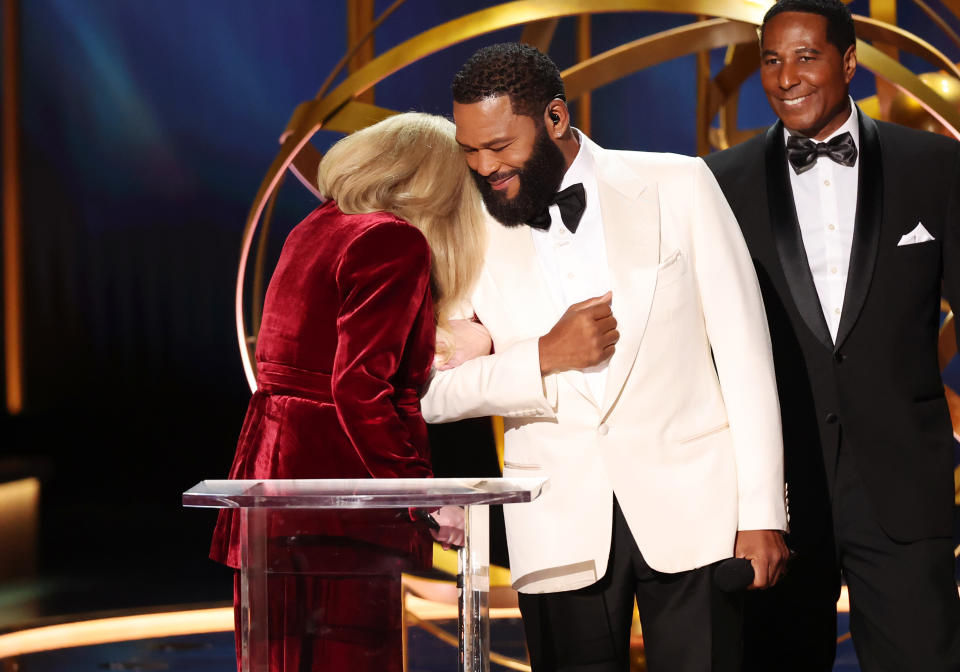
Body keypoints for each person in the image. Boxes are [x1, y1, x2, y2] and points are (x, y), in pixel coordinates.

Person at [421, 42, 789, 672]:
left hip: (696, 514)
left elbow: (745, 354)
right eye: (470, 150)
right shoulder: (465, 230)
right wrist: (541, 356)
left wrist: (762, 511)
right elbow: (430, 392)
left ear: (556, 119)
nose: (484, 167)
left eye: (500, 146)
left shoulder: (678, 183)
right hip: (555, 525)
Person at [703, 1, 960, 669]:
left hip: (906, 493)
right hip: (775, 501)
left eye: (805, 56)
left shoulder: (934, 166)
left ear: (848, 62)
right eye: (770, 60)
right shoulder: (717, 185)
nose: (785, 77)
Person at [208, 112, 487, 672]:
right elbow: (359, 386)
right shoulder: (394, 239)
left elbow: (314, 354)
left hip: (273, 478)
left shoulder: (317, 225)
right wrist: (424, 496)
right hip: (336, 500)